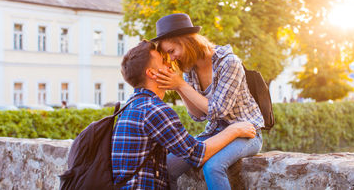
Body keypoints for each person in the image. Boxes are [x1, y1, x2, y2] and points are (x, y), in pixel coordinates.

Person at [111, 40, 257, 189]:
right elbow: (198, 153)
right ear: (152, 73)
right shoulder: (154, 110)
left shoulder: (130, 106)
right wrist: (234, 129)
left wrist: (180, 86)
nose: (170, 64)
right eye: (163, 61)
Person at [151, 13, 265, 190]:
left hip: (247, 133)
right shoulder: (190, 68)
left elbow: (218, 111)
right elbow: (198, 116)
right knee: (167, 166)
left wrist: (181, 84)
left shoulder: (228, 62)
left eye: (171, 51)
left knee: (213, 167)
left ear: (187, 41)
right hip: (215, 133)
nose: (171, 58)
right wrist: (179, 88)